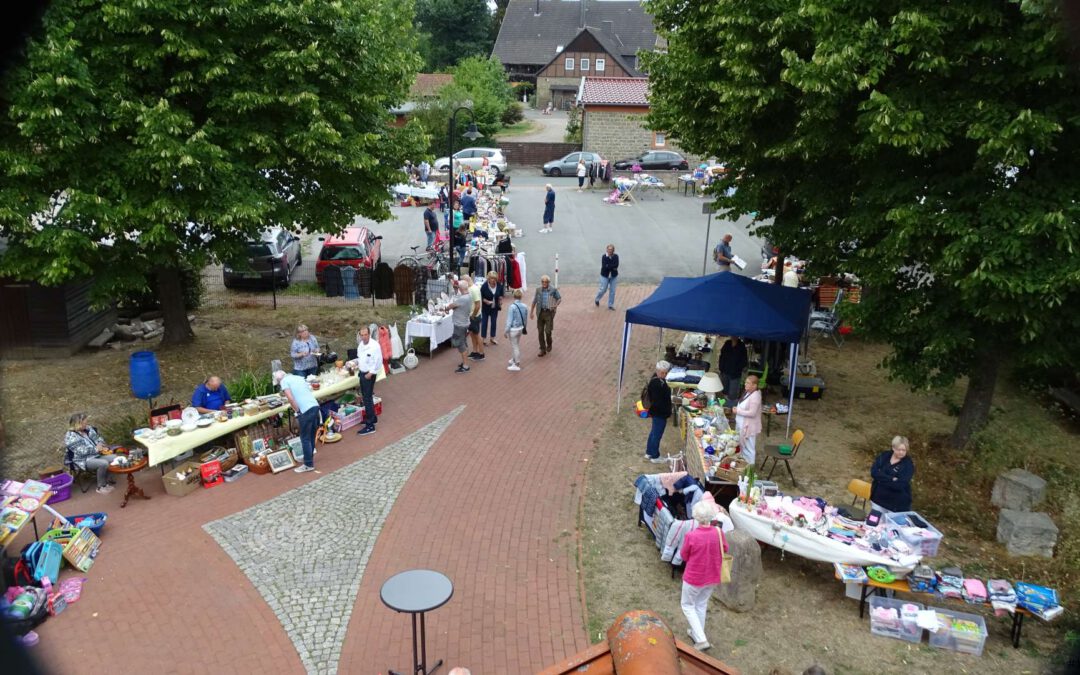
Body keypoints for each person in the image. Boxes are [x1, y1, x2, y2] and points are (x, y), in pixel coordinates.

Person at [679, 500, 728, 652]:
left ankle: (701, 639)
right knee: (701, 604)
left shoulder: (691, 536)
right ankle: (696, 633)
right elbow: (725, 549)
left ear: (696, 517)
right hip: (713, 576)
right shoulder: (719, 532)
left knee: (687, 605)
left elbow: (684, 555)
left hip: (694, 578)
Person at [274, 371, 320, 473]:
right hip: (314, 406)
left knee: (305, 438)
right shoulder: (298, 377)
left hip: (305, 410)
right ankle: (308, 458)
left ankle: (308, 464)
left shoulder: (284, 381)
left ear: (278, 379)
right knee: (311, 435)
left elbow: (290, 398)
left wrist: (297, 411)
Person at [63, 413, 114, 494]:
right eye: (85, 422)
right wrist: (96, 449)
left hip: (97, 455)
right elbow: (81, 451)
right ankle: (101, 486)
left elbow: (98, 438)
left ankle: (107, 479)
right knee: (103, 463)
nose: (86, 424)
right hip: (83, 460)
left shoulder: (88, 429)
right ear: (78, 423)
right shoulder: (70, 436)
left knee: (114, 458)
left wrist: (101, 444)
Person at [870, 436, 915, 513]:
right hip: (877, 499)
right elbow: (874, 472)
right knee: (874, 523)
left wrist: (881, 478)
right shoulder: (884, 456)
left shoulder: (908, 465)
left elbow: (900, 484)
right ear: (893, 448)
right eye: (899, 449)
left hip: (895, 505)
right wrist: (891, 478)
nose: (901, 452)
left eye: (903, 450)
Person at [355, 327, 382, 436]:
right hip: (362, 372)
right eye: (362, 335)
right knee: (367, 396)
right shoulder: (361, 345)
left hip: (368, 375)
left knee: (367, 399)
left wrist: (370, 373)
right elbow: (360, 357)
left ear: (369, 334)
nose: (364, 337)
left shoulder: (374, 346)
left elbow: (378, 361)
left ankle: (370, 425)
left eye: (366, 335)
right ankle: (373, 418)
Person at [644, 361, 673, 463]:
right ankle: (655, 456)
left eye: (665, 373)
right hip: (659, 413)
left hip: (656, 412)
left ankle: (649, 452)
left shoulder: (656, 380)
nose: (664, 375)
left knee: (653, 433)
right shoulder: (657, 384)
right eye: (662, 373)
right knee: (657, 434)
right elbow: (658, 401)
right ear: (657, 371)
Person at [529, 274, 561, 357]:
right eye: (542, 282)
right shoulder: (538, 290)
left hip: (549, 313)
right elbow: (534, 301)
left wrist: (556, 305)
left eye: (546, 282)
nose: (544, 283)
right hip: (540, 313)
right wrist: (531, 312)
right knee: (540, 332)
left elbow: (559, 298)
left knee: (548, 331)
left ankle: (549, 343)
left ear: (548, 282)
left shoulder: (553, 290)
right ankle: (542, 349)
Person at [733, 374, 762, 464]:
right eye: (745, 382)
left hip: (749, 427)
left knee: (749, 448)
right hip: (741, 424)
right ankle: (743, 465)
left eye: (748, 383)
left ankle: (750, 468)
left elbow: (752, 413)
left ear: (754, 385)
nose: (745, 384)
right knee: (742, 446)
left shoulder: (755, 396)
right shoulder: (748, 392)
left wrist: (738, 411)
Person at [447, 279, 473, 373]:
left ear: (460, 289)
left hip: (460, 324)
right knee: (463, 342)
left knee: (459, 343)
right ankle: (465, 362)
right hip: (465, 323)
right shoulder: (469, 295)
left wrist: (446, 308)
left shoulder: (462, 299)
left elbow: (451, 305)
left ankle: (465, 366)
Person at [504, 289, 528, 371]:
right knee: (516, 344)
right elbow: (525, 319)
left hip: (513, 329)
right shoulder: (525, 306)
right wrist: (525, 327)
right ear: (521, 296)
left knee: (515, 346)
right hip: (521, 328)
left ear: (514, 296)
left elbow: (509, 321)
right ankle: (514, 359)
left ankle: (516, 363)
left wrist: (506, 331)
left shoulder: (512, 307)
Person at [480, 271, 503, 346]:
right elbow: (481, 296)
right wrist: (485, 301)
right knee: (484, 323)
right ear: (488, 279)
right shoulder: (484, 286)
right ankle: (483, 338)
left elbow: (501, 294)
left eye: (494, 278)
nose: (493, 280)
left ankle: (492, 338)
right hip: (486, 308)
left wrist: (500, 299)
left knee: (493, 322)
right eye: (491, 278)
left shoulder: (499, 285)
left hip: (494, 308)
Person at [466, 275, 485, 361]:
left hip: (474, 316)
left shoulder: (473, 289)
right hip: (472, 315)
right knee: (472, 334)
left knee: (477, 335)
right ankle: (475, 351)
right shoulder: (471, 288)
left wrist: (473, 315)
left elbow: (478, 304)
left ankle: (481, 354)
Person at [594, 244, 619, 309]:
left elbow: (616, 265)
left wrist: (609, 266)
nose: (610, 251)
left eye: (611, 249)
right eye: (609, 249)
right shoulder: (604, 257)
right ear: (606, 249)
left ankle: (610, 305)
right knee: (603, 289)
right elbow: (605, 266)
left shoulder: (616, 256)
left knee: (612, 291)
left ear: (613, 250)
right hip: (605, 276)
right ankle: (597, 299)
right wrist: (612, 266)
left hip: (613, 276)